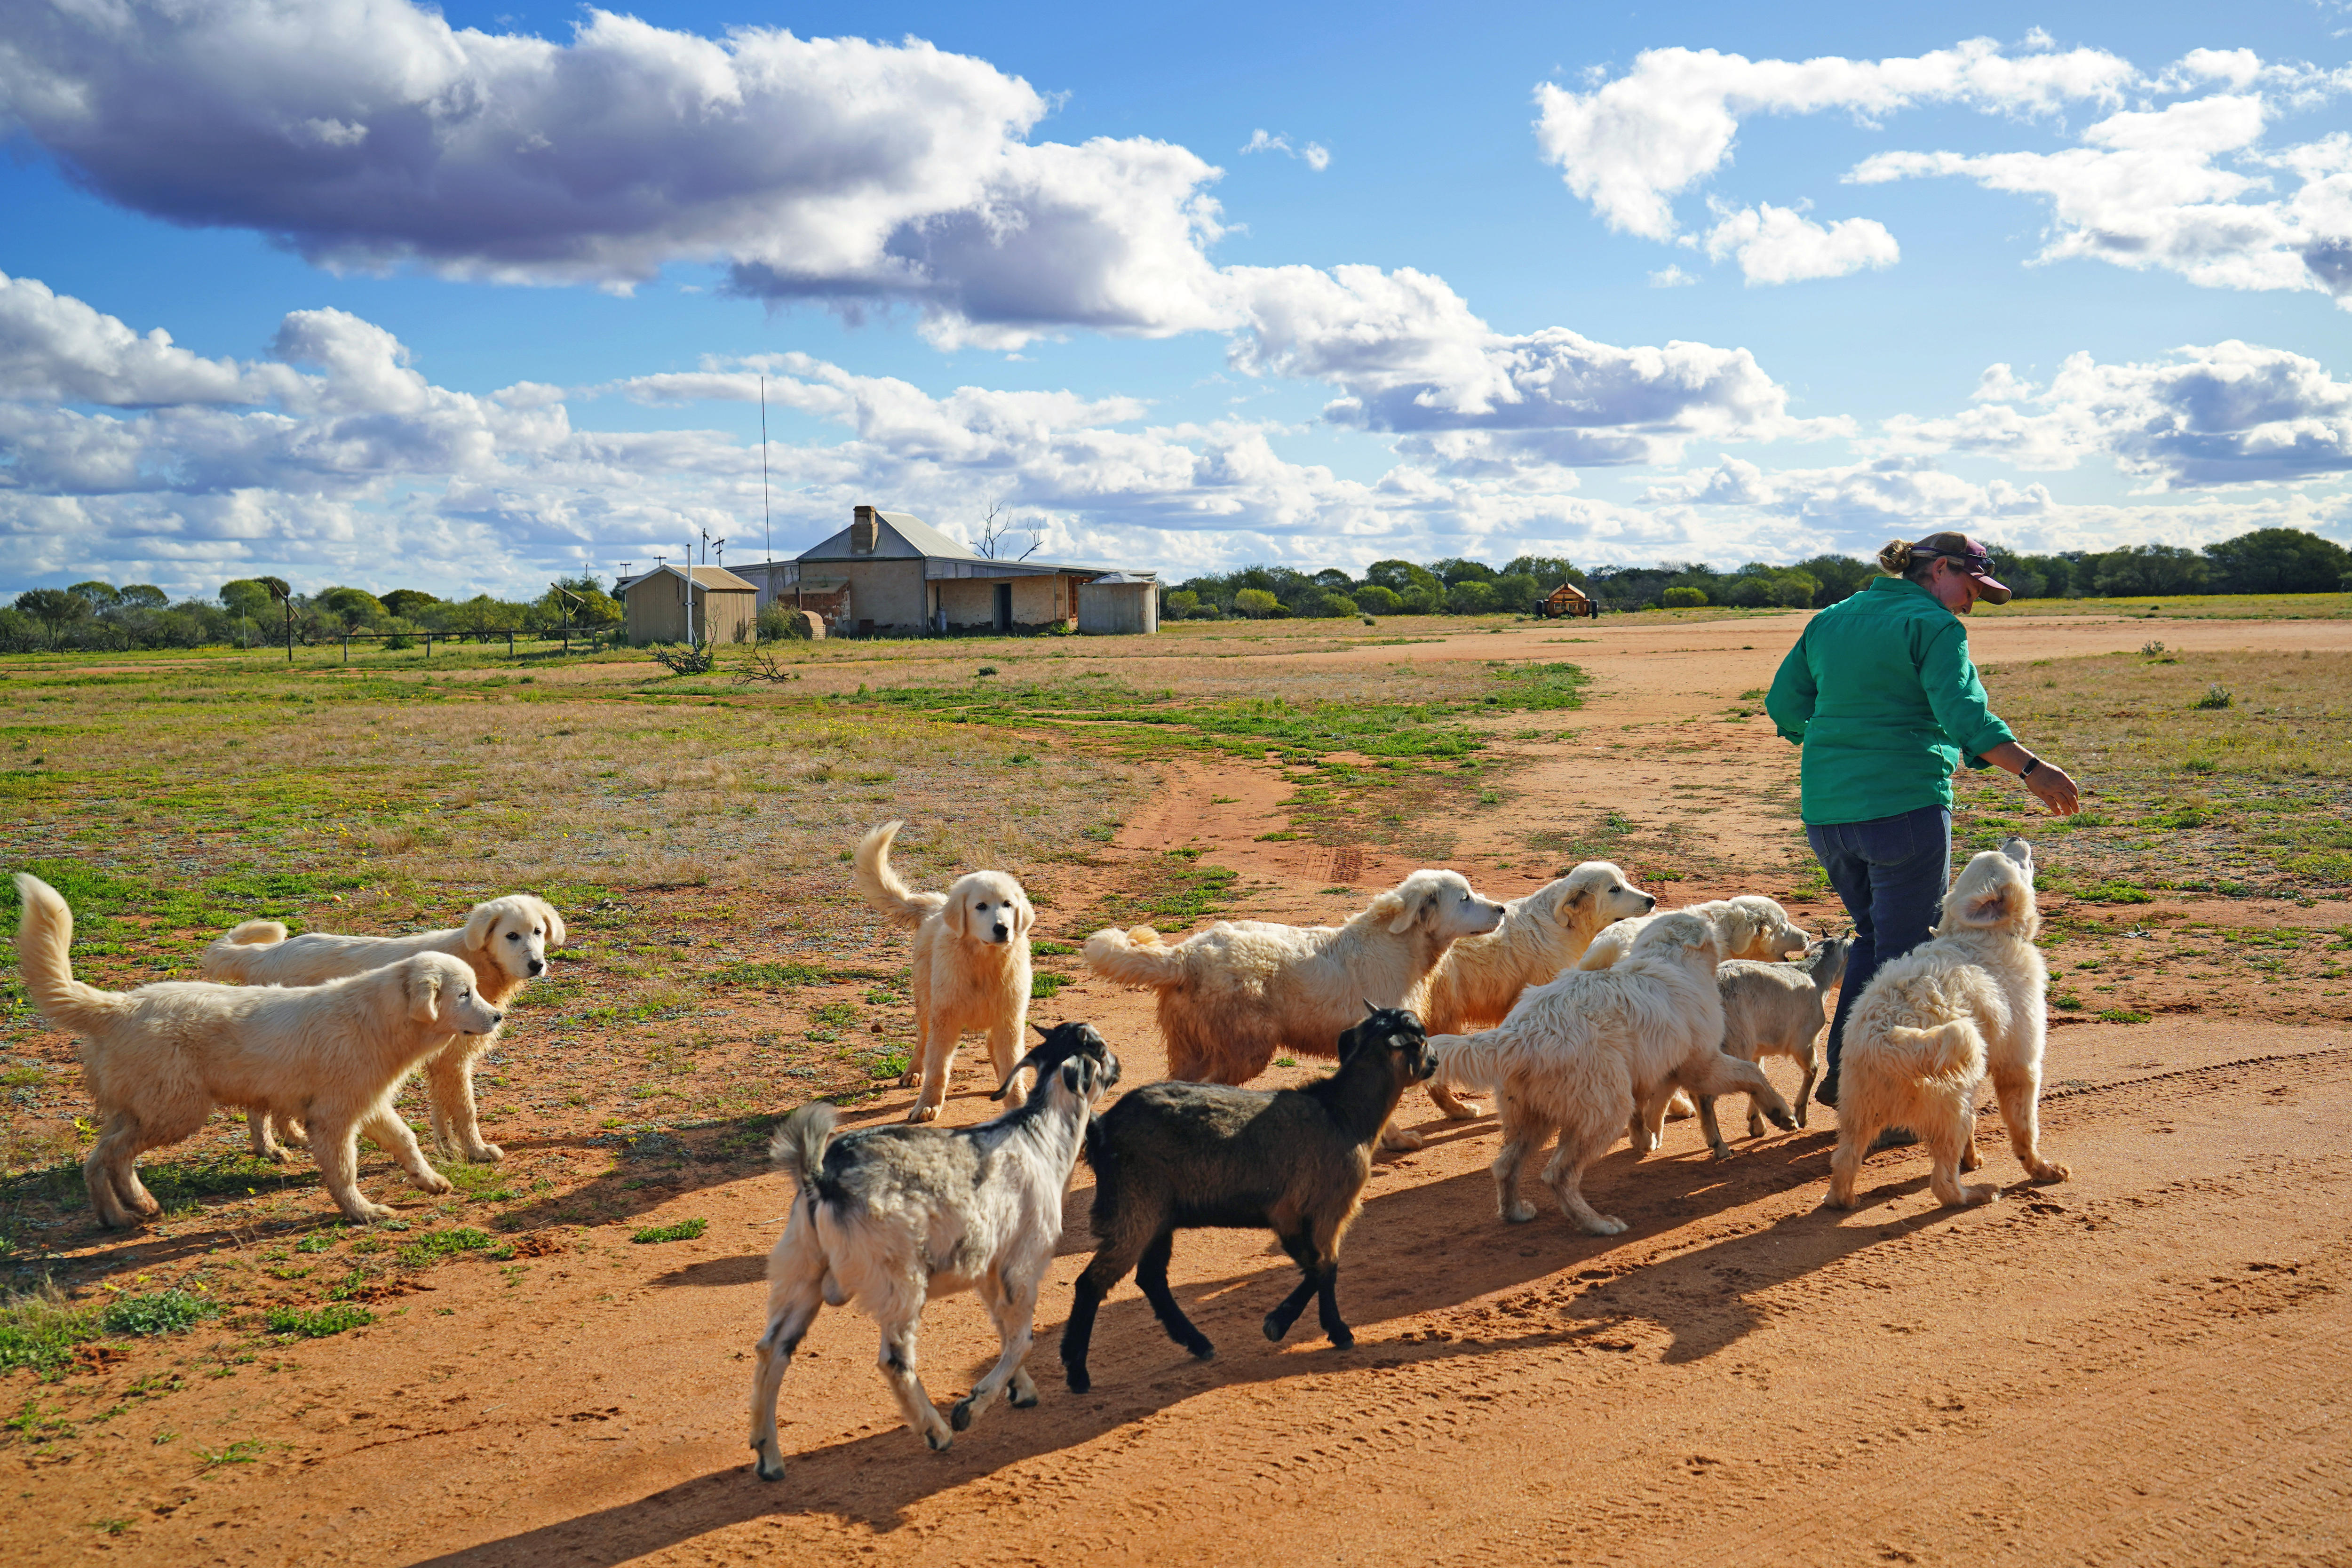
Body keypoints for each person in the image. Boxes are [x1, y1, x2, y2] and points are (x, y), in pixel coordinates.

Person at [1765, 532, 2080, 1119]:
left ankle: (1846, 1071)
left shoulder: (1831, 619)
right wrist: (2031, 769)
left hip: (1827, 812)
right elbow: (1965, 717)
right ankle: (1881, 1093)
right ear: (1939, 570)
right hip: (1902, 808)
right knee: (1907, 950)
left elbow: (1784, 704)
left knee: (1873, 938)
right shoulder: (1933, 627)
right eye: (1970, 588)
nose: (1969, 603)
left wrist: (1838, 738)